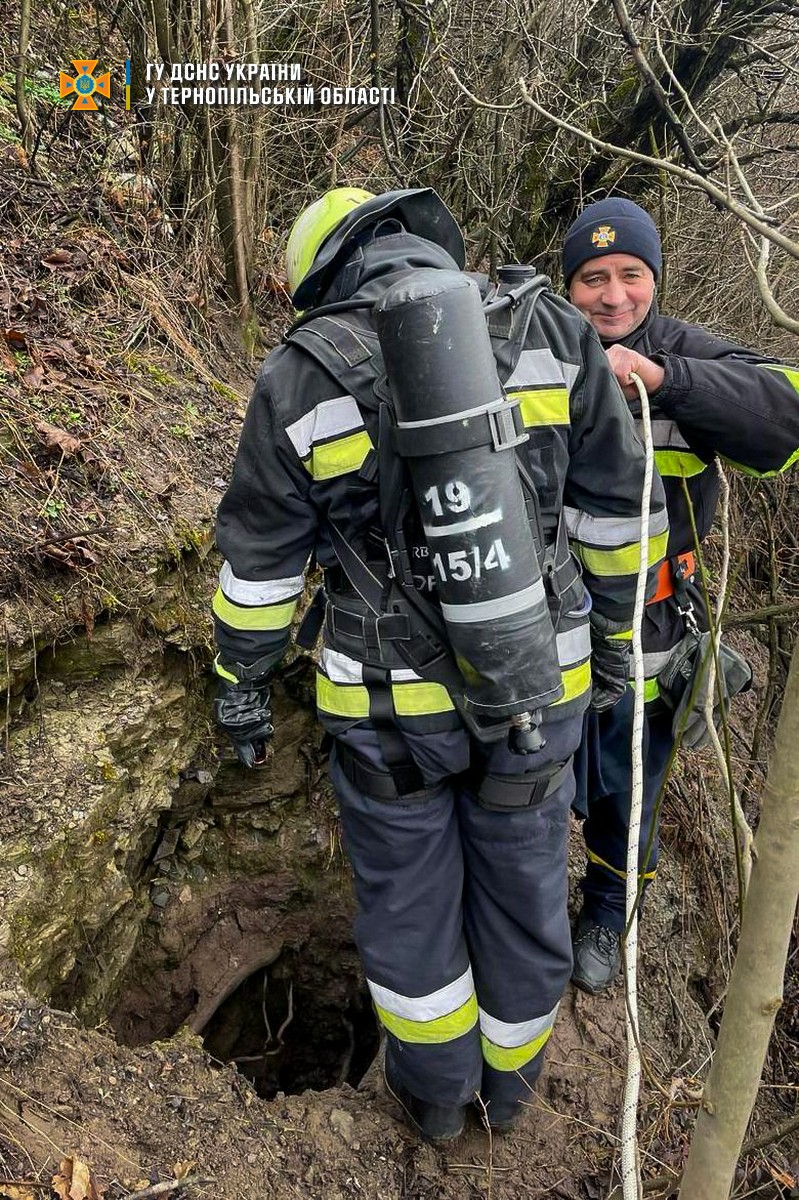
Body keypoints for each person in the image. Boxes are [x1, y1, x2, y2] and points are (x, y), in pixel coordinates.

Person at [211, 187, 667, 1142]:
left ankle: (432, 1107)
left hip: (389, 718)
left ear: (323, 276)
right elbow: (619, 516)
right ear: (426, 240)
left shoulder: (302, 374)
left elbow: (261, 570)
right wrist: (622, 652)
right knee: (526, 896)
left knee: (410, 913)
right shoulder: (548, 326)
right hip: (541, 695)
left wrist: (241, 690)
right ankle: (507, 1094)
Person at [563, 197, 799, 995]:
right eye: (591, 278)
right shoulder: (541, 352)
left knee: (629, 786)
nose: (612, 295)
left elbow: (783, 421)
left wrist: (659, 379)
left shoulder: (684, 352)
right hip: (550, 619)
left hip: (654, 624)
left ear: (653, 280)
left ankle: (605, 909)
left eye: (630, 275)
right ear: (567, 288)